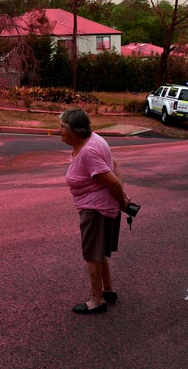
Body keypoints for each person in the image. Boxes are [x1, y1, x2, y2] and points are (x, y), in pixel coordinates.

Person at [59, 108, 130, 315]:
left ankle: (96, 300)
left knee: (92, 254)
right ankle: (107, 290)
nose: (59, 131)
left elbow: (114, 183)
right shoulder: (92, 139)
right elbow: (113, 164)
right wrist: (121, 200)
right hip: (101, 207)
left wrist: (123, 200)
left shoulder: (88, 151)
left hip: (96, 210)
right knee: (98, 252)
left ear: (77, 131)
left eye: (63, 128)